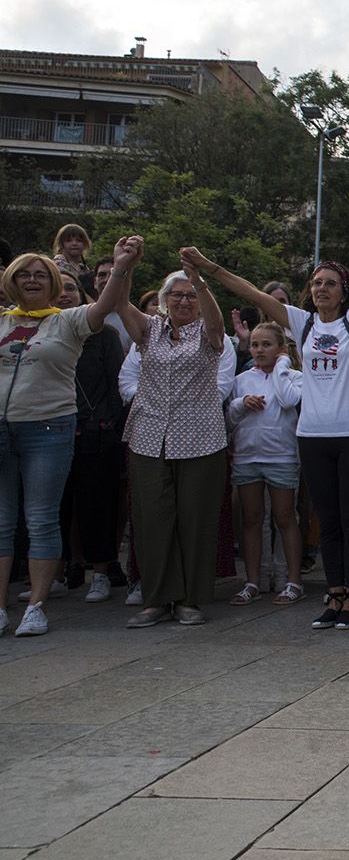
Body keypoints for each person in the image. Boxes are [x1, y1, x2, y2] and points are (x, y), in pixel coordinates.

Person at [188, 242, 349, 630]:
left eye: (330, 283)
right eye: (316, 283)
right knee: (326, 519)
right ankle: (334, 595)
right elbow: (251, 292)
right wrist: (208, 266)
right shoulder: (303, 323)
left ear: (342, 291)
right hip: (312, 436)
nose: (322, 289)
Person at [0, 250, 122, 635]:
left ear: (53, 283)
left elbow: (104, 304)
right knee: (2, 522)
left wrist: (121, 265)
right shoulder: (1, 323)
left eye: (41, 274)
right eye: (24, 275)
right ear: (12, 282)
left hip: (49, 428)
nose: (32, 280)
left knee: (40, 517)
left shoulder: (68, 320)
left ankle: (36, 606)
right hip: (3, 429)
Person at [111, 241, 230, 629]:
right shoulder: (150, 331)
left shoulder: (209, 335)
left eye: (190, 295)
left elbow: (216, 324)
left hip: (200, 438)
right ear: (163, 300)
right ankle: (157, 598)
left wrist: (201, 281)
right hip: (148, 435)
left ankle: (190, 598)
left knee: (194, 518)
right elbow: (117, 302)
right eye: (176, 295)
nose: (184, 301)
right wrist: (123, 266)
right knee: (152, 519)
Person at [53, 271, 125, 604]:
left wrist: (107, 423)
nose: (63, 294)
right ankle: (62, 569)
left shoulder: (105, 335)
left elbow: (117, 383)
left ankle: (101, 572)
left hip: (96, 432)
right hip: (51, 428)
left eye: (70, 288)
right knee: (57, 507)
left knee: (98, 504)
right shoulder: (44, 333)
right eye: (58, 289)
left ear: (83, 296)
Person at [226, 321, 305, 606]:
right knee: (251, 519)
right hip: (248, 456)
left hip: (281, 456)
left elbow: (287, 401)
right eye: (255, 344)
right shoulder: (241, 380)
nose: (259, 350)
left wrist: (282, 366)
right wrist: (240, 404)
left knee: (285, 517)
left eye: (267, 344)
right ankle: (253, 580)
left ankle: (292, 579)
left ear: (281, 349)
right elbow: (230, 421)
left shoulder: (294, 376)